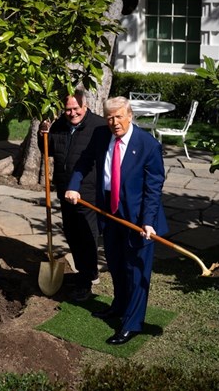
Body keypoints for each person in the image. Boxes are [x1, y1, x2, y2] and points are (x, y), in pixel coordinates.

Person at [65, 96, 168, 345]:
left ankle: (132, 324)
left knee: (136, 270)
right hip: (109, 210)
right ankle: (119, 306)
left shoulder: (148, 145)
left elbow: (153, 188)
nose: (114, 122)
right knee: (116, 263)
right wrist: (74, 185)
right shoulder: (102, 135)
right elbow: (84, 162)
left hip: (139, 216)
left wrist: (148, 221)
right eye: (109, 117)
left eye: (119, 116)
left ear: (130, 115)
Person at [39, 89, 107, 302]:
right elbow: (48, 151)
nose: (72, 113)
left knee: (86, 237)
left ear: (85, 106)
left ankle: (85, 281)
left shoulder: (98, 126)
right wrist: (43, 135)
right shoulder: (58, 125)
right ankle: (88, 272)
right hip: (65, 190)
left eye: (76, 108)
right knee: (72, 235)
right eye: (68, 109)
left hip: (88, 192)